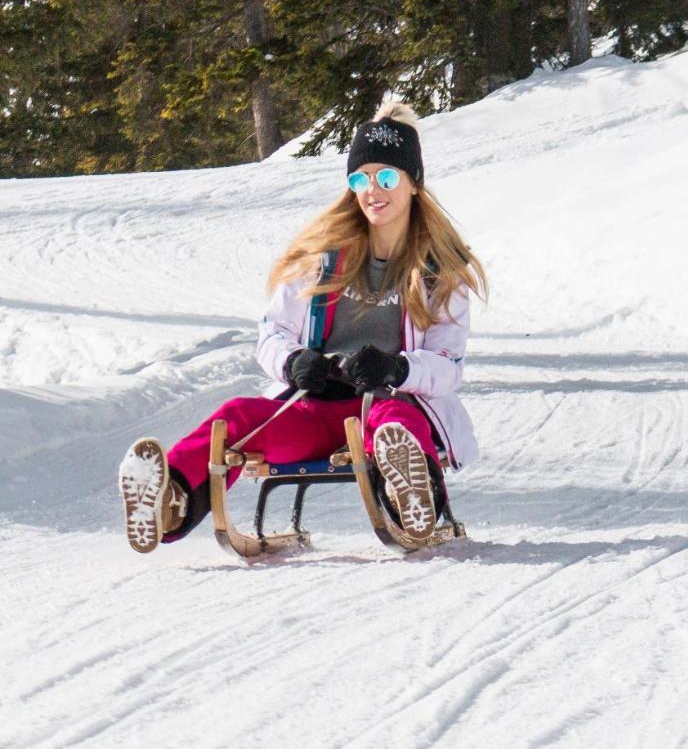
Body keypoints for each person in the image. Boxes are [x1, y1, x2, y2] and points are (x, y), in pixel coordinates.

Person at [117, 102, 487, 553]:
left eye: (386, 177)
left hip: (384, 403)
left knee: (398, 423)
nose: (373, 190)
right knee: (237, 415)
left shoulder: (439, 270)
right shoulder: (324, 257)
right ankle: (166, 500)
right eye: (360, 179)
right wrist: (293, 361)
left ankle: (413, 497)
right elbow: (271, 333)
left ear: (413, 183)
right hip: (315, 409)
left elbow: (448, 367)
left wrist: (397, 368)